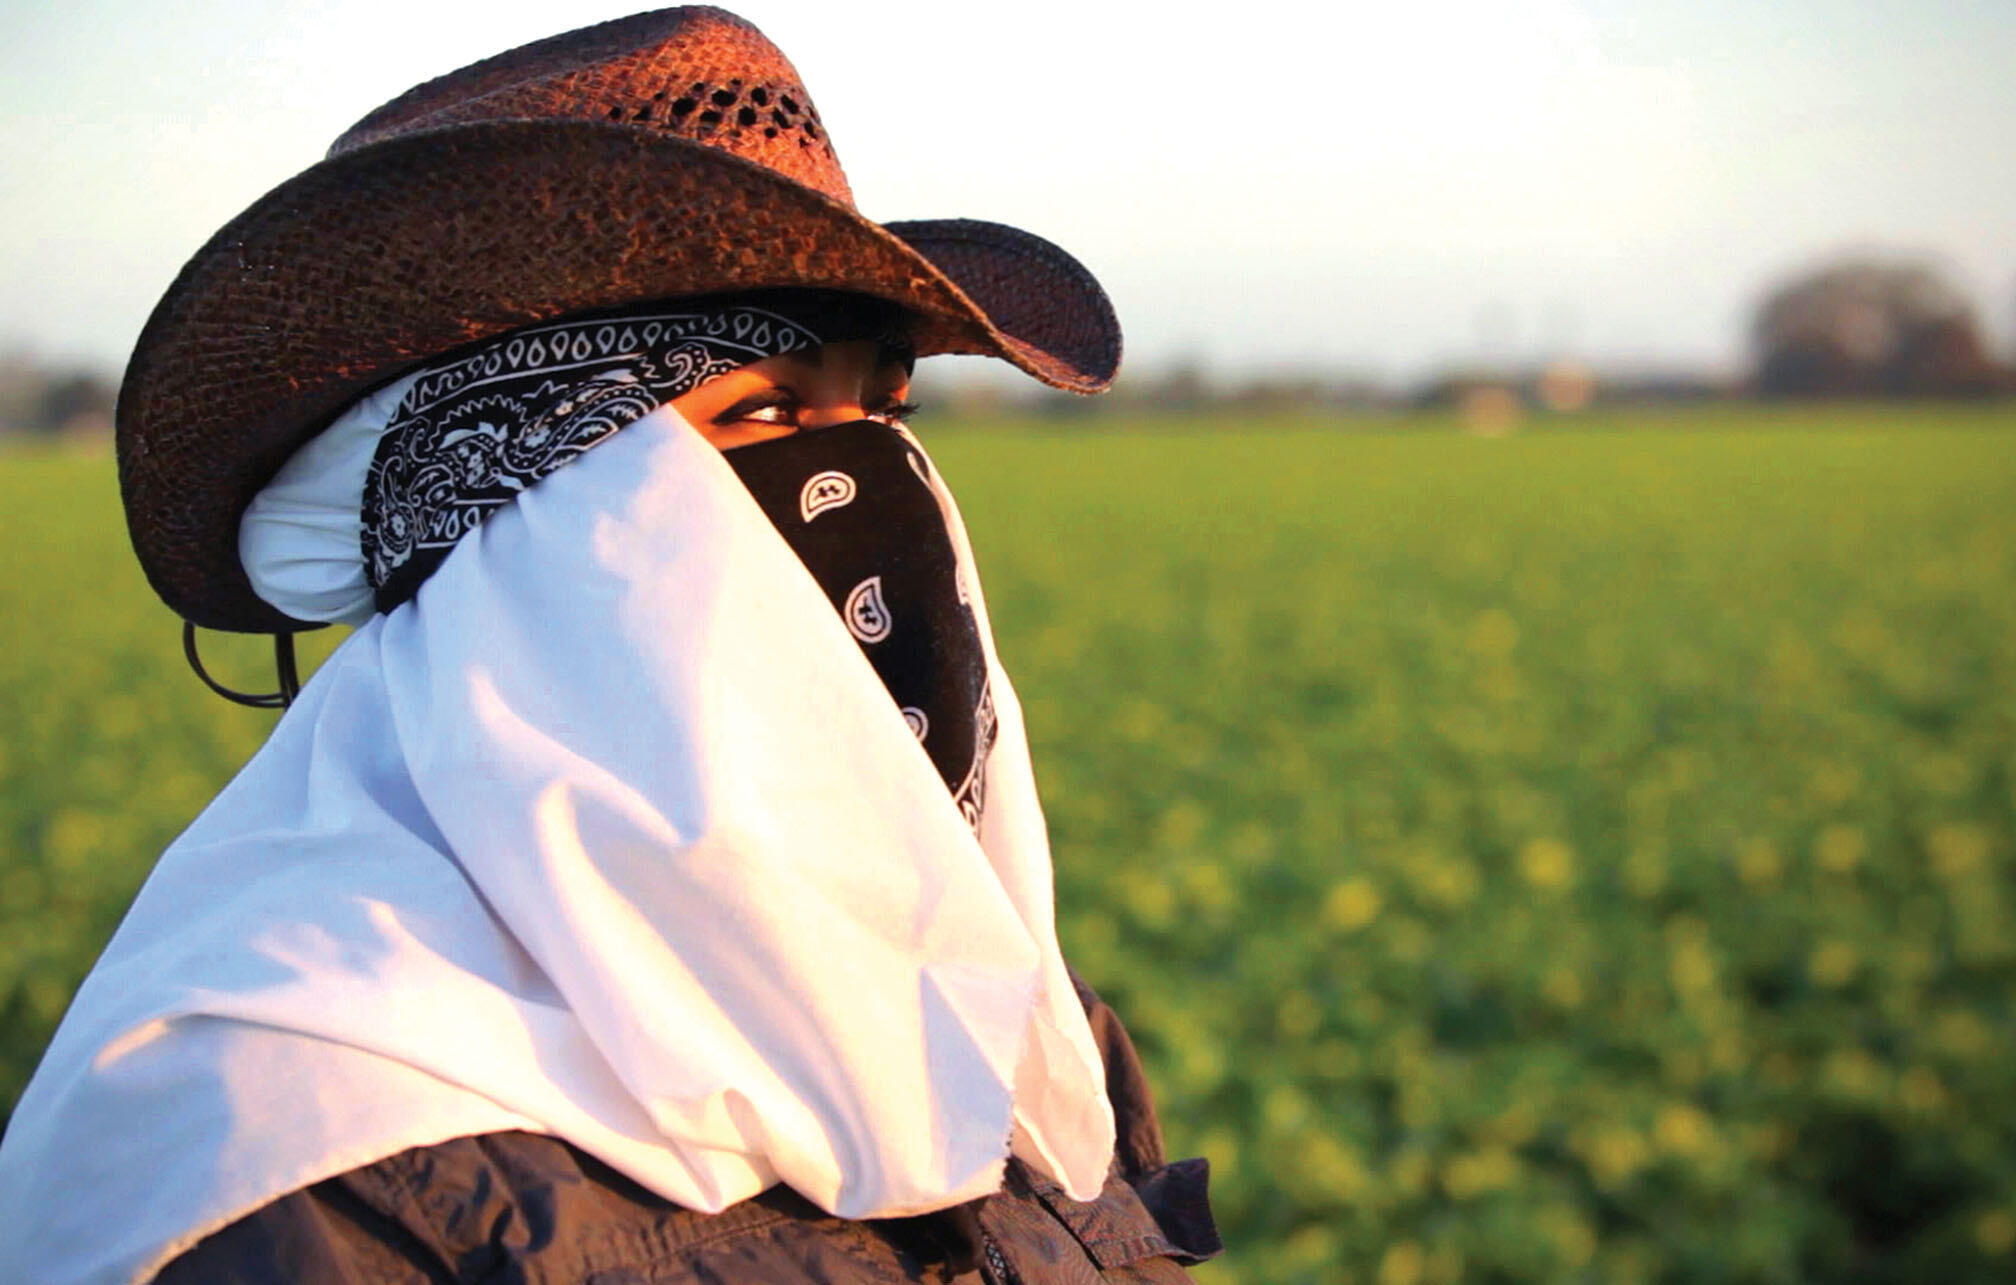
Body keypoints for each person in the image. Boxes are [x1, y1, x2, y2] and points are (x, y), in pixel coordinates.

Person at [0, 9, 1215, 1283]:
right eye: (761, 411)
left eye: (880, 407)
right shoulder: (291, 1164)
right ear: (507, 524)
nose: (868, 476)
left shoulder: (994, 996)